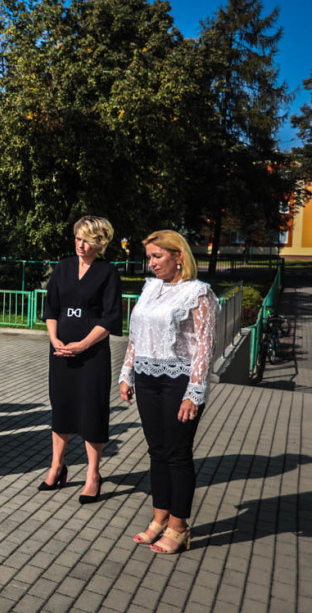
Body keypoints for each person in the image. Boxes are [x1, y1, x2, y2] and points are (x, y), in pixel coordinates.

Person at [119, 230, 216, 554]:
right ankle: (159, 516)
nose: (152, 263)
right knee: (157, 450)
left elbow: (205, 346)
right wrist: (126, 374)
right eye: (150, 256)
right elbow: (136, 336)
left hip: (179, 381)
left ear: (179, 257)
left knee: (177, 453)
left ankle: (179, 525)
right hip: (146, 378)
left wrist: (194, 392)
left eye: (158, 256)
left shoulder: (198, 292)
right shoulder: (150, 288)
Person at [39, 216, 123, 504]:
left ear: (100, 243)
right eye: (77, 238)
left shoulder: (108, 273)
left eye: (87, 239)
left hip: (92, 356)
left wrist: (84, 344)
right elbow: (51, 308)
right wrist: (55, 341)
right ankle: (57, 466)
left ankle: (93, 475)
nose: (80, 244)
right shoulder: (62, 267)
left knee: (91, 412)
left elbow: (111, 317)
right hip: (60, 353)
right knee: (61, 409)